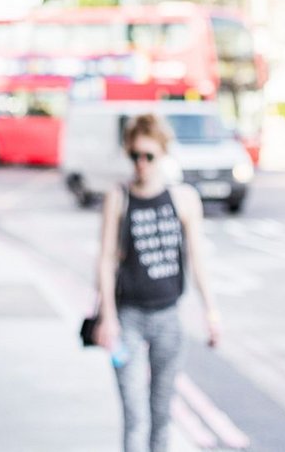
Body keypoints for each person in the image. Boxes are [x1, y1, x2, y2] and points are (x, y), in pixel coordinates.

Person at [94, 113, 220, 452]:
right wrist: (107, 318)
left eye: (149, 156)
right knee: (135, 417)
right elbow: (105, 260)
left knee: (162, 415)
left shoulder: (184, 199)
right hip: (128, 321)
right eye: (135, 155)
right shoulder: (118, 197)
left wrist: (210, 312)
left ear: (163, 154)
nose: (141, 164)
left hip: (169, 319)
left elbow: (197, 260)